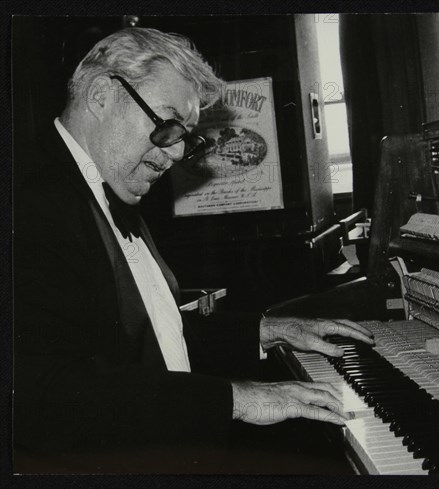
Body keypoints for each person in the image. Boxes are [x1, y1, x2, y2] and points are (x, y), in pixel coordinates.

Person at [13, 27, 374, 463]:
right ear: (102, 95)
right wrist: (235, 400)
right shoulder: (26, 202)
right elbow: (44, 394)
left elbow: (151, 338)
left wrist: (265, 331)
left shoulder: (107, 188)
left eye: (186, 136)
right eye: (167, 126)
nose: (177, 153)